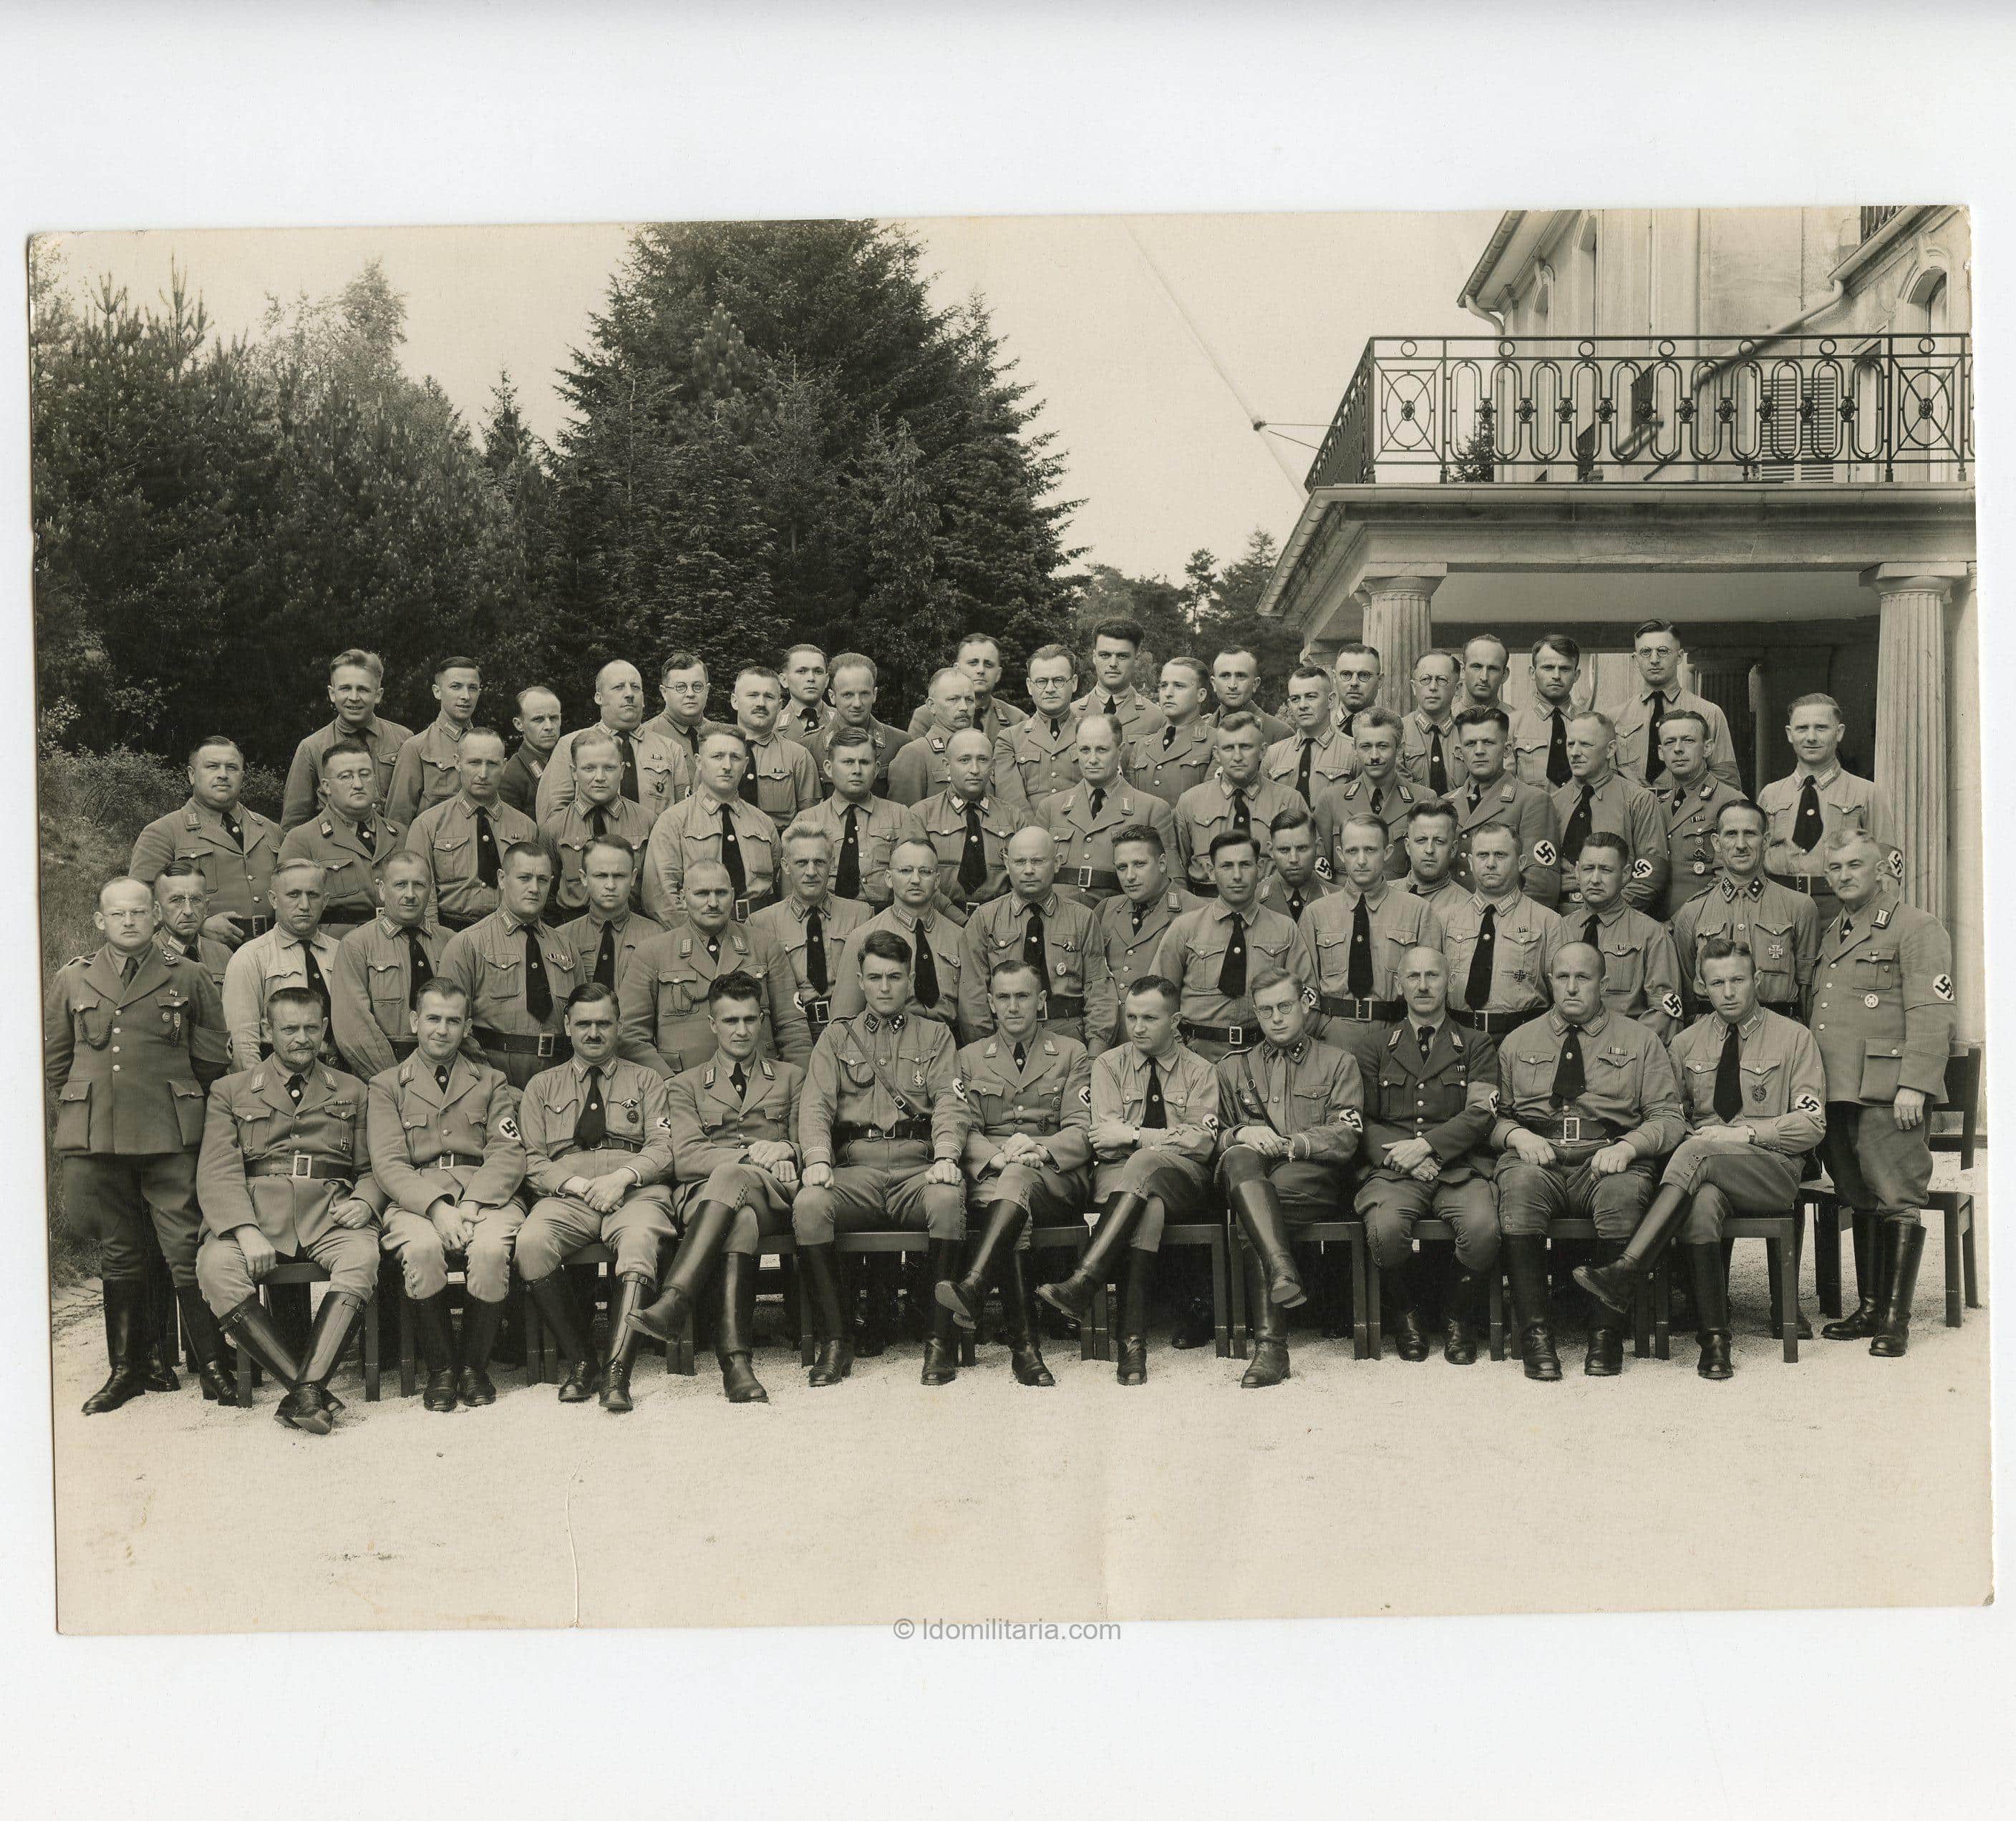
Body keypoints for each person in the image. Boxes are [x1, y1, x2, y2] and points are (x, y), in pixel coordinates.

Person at [1572, 938, 1826, 1379]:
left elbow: (1812, 1125)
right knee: (1704, 1201)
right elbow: (1672, 1117)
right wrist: (1703, 1142)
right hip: (1704, 1172)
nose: (1729, 992)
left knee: (1697, 1152)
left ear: (1757, 980)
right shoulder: (1687, 1043)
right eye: (1717, 983)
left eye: (1738, 981)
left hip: (1771, 1168)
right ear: (1702, 986)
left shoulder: (1794, 1038)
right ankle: (1715, 1343)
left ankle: (1628, 1270)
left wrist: (1743, 1133)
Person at [45, 877, 230, 1414]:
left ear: (156, 918)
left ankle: (213, 1363)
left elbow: (212, 1059)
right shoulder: (72, 978)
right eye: (117, 913)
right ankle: (127, 1369)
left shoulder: (189, 976)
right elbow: (57, 1060)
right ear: (100, 921)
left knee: (184, 1249)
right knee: (119, 1250)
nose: (129, 921)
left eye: (139, 912)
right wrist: (87, 1103)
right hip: (97, 1134)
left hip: (169, 1133)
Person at [1491, 943, 1686, 1381]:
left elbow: (1670, 1118)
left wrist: (1631, 1146)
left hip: (1608, 1157)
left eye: (1584, 978)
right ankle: (1536, 1337)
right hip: (1538, 1157)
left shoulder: (1641, 1040)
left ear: (1604, 983)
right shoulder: (1518, 1041)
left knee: (1621, 1193)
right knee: (1518, 1188)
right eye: (1562, 977)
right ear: (1550, 982)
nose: (1572, 987)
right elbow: (1493, 1117)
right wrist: (1516, 1135)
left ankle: (1606, 1336)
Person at [193, 986, 384, 1431]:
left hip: (330, 1212)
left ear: (324, 1029)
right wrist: (243, 1230)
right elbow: (218, 1171)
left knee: (362, 1256)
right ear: (267, 1031)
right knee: (216, 1265)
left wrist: (364, 1200)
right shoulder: (230, 1091)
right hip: (257, 1216)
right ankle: (309, 1391)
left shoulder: (353, 1090)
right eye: (289, 1028)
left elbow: (375, 1166)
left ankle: (302, 1392)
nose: (302, 1037)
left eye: (310, 1028)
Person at [793, 930, 968, 1387]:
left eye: (895, 977)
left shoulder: (936, 1035)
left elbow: (950, 1103)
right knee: (810, 1205)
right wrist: (816, 1159)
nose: (885, 987)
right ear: (861, 980)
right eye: (875, 977)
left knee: (948, 1201)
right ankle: (837, 1341)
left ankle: (938, 1342)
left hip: (917, 1166)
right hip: (858, 1168)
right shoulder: (837, 1037)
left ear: (910, 980)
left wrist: (947, 1155)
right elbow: (815, 1105)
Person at [1808, 831, 1955, 1357]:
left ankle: (1896, 1319)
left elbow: (1931, 1010)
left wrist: (1915, 1083)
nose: (1844, 875)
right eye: (1835, 868)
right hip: (1836, 1088)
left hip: (1888, 1090)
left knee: (1897, 1198)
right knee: (1857, 1196)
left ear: (1882, 871)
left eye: (1855, 865)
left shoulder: (1917, 928)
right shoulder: (1833, 932)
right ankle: (1870, 1307)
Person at [1034, 977, 1217, 1384]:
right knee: (1147, 1202)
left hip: (1183, 1182)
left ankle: (1086, 1280)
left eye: (1150, 1018)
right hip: (1120, 1184)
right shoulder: (1108, 1066)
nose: (1137, 1028)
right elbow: (1104, 1143)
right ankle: (1131, 1343)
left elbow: (1202, 1145)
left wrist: (1135, 1136)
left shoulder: (1201, 1070)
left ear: (1176, 1021)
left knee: (1145, 1161)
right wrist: (1165, 1138)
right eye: (1131, 1016)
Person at [634, 973, 805, 1404]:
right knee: (738, 1214)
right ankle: (735, 1363)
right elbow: (688, 1157)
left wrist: (785, 1147)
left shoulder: (791, 1078)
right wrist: (755, 1156)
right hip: (703, 1198)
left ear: (763, 1019)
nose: (742, 1030)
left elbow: (812, 1142)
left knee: (739, 1193)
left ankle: (675, 1301)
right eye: (730, 1020)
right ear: (713, 1024)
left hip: (772, 1196)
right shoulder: (684, 1085)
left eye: (750, 1019)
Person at [513, 981, 678, 1412]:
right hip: (568, 1195)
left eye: (604, 1023)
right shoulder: (541, 1086)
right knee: (530, 1243)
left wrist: (621, 1178)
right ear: (567, 1026)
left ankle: (617, 1371)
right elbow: (530, 1160)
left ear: (619, 1026)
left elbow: (663, 1147)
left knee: (641, 1241)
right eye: (583, 1023)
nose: (594, 1032)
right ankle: (583, 1360)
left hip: (634, 1192)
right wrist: (581, 1186)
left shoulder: (647, 1080)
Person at [368, 979, 528, 1412]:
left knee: (493, 1250)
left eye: (453, 1021)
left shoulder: (492, 1081)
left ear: (467, 1026)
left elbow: (508, 1152)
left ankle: (474, 1368)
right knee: (419, 1250)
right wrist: (438, 1210)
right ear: (415, 1021)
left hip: (486, 1196)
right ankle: (441, 1369)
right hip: (417, 1200)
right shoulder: (387, 1086)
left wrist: (473, 1203)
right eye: (433, 1019)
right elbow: (388, 1164)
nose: (442, 1029)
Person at [941, 958, 1096, 1385]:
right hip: (994, 1176)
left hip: (1055, 1178)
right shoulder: (969, 1058)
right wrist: (997, 1159)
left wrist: (1041, 1151)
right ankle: (1024, 1349)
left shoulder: (1071, 1053)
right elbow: (960, 1124)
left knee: (1010, 1190)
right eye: (1004, 997)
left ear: (1042, 1000)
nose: (1013, 1007)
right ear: (990, 1003)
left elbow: (1084, 1131)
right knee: (1007, 1194)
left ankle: (975, 1286)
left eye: (1023, 996)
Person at [1215, 968, 1365, 1387]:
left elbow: (1346, 1134)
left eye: (1285, 1007)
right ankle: (1281, 1275)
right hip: (1252, 1177)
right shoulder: (1233, 1068)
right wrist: (1241, 1133)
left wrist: (1289, 1144)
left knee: (1255, 1204)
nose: (1277, 1018)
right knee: (1243, 1164)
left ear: (1306, 1004)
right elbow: (1213, 1133)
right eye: (1265, 1011)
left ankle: (1271, 1347)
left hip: (1313, 1181)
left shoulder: (1338, 1063)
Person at [1354, 946, 1501, 1366]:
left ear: (1449, 981)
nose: (1423, 985)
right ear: (1399, 985)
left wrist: (1428, 1146)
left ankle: (1458, 1318)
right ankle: (1406, 1316)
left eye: (1432, 976)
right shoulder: (1374, 1046)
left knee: (1483, 1228)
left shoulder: (1475, 1044)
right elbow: (1358, 1119)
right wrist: (1407, 1156)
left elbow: (1481, 1113)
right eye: (1413, 977)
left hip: (1457, 1167)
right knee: (1384, 1228)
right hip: (1397, 1168)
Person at [619, 859, 806, 1076]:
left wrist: (794, 1085)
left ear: (733, 895)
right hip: (683, 1088)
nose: (713, 903)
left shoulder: (764, 946)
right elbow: (629, 1035)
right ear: (682, 898)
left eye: (721, 893)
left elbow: (793, 1029)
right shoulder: (653, 952)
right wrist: (668, 1084)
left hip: (760, 1086)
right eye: (701, 894)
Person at [1155, 830, 1318, 1062]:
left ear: (1260, 868)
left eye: (1245, 865)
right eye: (1226, 866)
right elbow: (1158, 999)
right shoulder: (1185, 928)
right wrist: (1180, 1052)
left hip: (1264, 1057)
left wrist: (1279, 1055)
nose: (1237, 875)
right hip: (1196, 1058)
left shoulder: (1285, 929)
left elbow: (1307, 1000)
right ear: (1212, 872)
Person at [1304, 814, 1444, 1084]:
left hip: (1396, 1033)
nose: (1361, 860)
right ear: (1340, 854)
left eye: (1370, 850)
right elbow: (1304, 984)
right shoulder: (1317, 914)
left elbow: (1431, 985)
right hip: (1335, 1034)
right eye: (1353, 851)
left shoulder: (1417, 911)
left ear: (1388, 852)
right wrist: (1323, 1028)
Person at [436, 842, 582, 1089]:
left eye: (543, 880)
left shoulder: (566, 948)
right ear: (502, 879)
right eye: (524, 878)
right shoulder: (469, 944)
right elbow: (453, 1028)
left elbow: (581, 1020)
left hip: (558, 1083)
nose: (534, 888)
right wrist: (493, 1084)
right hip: (490, 1082)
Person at [1758, 692, 1899, 932]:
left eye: (1821, 728)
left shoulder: (1866, 793)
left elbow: (1888, 871)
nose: (1811, 737)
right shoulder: (1770, 795)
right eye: (1802, 728)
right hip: (1779, 907)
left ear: (1839, 732)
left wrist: (1875, 925)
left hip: (1842, 907)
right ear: (1790, 735)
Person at [1670, 800, 1818, 1018]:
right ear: (1717, 842)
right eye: (1731, 834)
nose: (1741, 844)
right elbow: (1688, 994)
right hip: (1713, 1038)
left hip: (1779, 1037)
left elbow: (1808, 991)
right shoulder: (1692, 913)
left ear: (1765, 841)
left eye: (1750, 834)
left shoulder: (1799, 907)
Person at [959, 827, 1105, 1045]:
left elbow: (1098, 990)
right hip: (1004, 1039)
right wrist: (989, 1053)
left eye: (1037, 862)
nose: (1028, 870)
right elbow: (973, 996)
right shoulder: (985, 918)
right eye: (1019, 862)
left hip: (1068, 1037)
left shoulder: (1082, 918)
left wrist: (1095, 1051)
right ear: (1008, 865)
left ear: (1056, 863)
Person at [131, 734, 281, 947]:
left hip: (271, 955)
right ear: (192, 775)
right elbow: (139, 906)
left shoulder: (271, 830)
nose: (223, 775)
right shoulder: (163, 833)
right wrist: (200, 925)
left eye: (232, 768)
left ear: (242, 775)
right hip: (202, 958)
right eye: (212, 767)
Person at [329, 848, 452, 1079]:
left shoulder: (451, 942)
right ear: (383, 890)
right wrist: (396, 1081)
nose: (410, 894)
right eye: (400, 885)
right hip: (385, 1073)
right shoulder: (357, 945)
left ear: (431, 891)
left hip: (445, 1073)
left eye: (419, 885)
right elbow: (354, 1029)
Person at [640, 727, 782, 924]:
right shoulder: (673, 822)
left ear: (745, 764)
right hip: (700, 937)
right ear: (699, 762)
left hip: (759, 934)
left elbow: (778, 888)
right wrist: (702, 938)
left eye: (736, 758)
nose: (727, 766)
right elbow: (661, 900)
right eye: (717, 756)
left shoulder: (763, 823)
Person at [407, 726, 543, 931]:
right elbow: (423, 895)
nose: (483, 773)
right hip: (450, 932)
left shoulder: (526, 828)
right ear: (457, 762)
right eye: (474, 763)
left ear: (504, 766)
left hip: (509, 932)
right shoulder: (428, 825)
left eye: (492, 764)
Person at [829, 837, 968, 1035]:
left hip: (947, 1047)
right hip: (886, 1048)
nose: (915, 880)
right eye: (905, 871)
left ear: (937, 881)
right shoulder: (863, 937)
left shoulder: (960, 938)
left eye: (925, 872)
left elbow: (970, 1017)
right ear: (888, 878)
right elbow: (843, 1023)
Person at [1036, 713, 1176, 908]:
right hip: (1060, 921)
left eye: (1102, 750)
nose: (1092, 759)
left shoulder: (1152, 809)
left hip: (1120, 923)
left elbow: (1172, 883)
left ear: (1120, 752)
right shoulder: (1051, 808)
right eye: (1085, 750)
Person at [1554, 833, 1685, 1041]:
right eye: (1588, 869)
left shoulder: (1650, 934)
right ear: (1577, 872)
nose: (1595, 879)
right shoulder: (1559, 930)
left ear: (1625, 875)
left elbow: (1665, 1011)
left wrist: (1621, 1047)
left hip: (1623, 1056)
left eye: (1606, 870)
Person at [220, 859, 346, 1072]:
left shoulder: (343, 952)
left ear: (325, 901)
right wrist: (261, 1093)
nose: (305, 905)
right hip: (279, 1080)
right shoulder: (251, 957)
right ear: (273, 899)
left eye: (313, 895)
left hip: (338, 1079)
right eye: (293, 895)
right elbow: (243, 1043)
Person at [752, 821, 871, 1042]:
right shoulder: (762, 923)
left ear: (832, 864)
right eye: (801, 863)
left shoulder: (860, 916)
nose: (811, 872)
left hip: (851, 1029)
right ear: (786, 866)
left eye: (819, 862)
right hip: (795, 1034)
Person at [1086, 825, 1201, 1053]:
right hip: (1111, 1048)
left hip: (1168, 1048)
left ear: (1161, 863)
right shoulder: (1107, 909)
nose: (1130, 876)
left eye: (1139, 864)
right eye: (1122, 867)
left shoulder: (1196, 912)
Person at [1440, 823, 1561, 1039]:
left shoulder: (1548, 922)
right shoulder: (1445, 919)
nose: (1491, 863)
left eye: (1501, 855)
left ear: (1521, 862)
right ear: (1470, 862)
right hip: (1456, 1039)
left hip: (1522, 1040)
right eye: (1483, 855)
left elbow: (1561, 997)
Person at [538, 659, 691, 825]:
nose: (629, 694)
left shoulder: (671, 750)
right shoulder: (569, 745)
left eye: (635, 687)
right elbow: (553, 820)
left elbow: (683, 817)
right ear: (599, 698)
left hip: (654, 848)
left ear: (643, 699)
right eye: (618, 687)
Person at [281, 648, 413, 832]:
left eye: (363, 689)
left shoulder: (404, 740)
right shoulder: (312, 747)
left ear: (378, 695)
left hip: (392, 849)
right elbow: (293, 825)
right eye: (345, 689)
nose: (353, 698)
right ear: (332, 693)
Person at [1172, 713, 1307, 893]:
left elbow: (1306, 863)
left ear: (1262, 751)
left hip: (1271, 904)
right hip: (1207, 903)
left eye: (1245, 747)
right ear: (1217, 754)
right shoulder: (1190, 802)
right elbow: (1179, 869)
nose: (1237, 757)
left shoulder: (1290, 800)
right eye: (1228, 748)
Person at [796, 724, 924, 910]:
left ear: (876, 768)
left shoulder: (901, 816)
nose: (857, 770)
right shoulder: (807, 821)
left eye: (864, 762)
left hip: (885, 919)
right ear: (829, 768)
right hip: (828, 918)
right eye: (848, 762)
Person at [277, 740, 401, 931]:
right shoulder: (302, 840)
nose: (358, 784)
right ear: (326, 786)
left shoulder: (401, 834)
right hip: (335, 949)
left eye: (365, 774)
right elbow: (289, 916)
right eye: (346, 777)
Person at [1550, 710, 1667, 912]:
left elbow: (1650, 873)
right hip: (1560, 917)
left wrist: (1610, 911)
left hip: (1618, 915)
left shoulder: (1638, 800)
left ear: (1610, 749)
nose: (1575, 753)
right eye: (1571, 744)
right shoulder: (1552, 803)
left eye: (1585, 744)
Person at [1446, 707, 1562, 908]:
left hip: (1506, 925)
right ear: (1459, 752)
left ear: (1507, 750)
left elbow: (1541, 884)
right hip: (1454, 924)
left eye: (1489, 742)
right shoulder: (1446, 804)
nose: (1479, 750)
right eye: (1471, 744)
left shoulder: (1532, 801)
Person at [1610, 618, 1742, 790]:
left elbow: (1727, 783)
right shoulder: (1615, 717)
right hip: (1632, 813)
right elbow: (1608, 783)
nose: (1654, 659)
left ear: (1679, 657)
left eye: (1663, 651)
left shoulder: (1709, 713)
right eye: (1646, 652)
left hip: (1688, 811)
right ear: (1636, 659)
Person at [910, 729, 1026, 911]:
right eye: (965, 760)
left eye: (983, 760)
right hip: (941, 920)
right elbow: (917, 881)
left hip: (998, 922)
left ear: (993, 765)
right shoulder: (922, 815)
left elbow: (1023, 880)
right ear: (947, 766)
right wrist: (956, 919)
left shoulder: (1013, 817)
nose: (975, 770)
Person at [540, 731, 655, 914]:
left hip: (633, 925)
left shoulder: (647, 821)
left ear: (623, 771)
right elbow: (547, 895)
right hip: (573, 929)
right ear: (574, 772)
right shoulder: (554, 829)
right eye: (589, 769)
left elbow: (655, 889)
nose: (600, 777)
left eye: (609, 768)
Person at [1313, 709, 1431, 878]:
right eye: (1366, 747)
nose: (1374, 756)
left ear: (1400, 749)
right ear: (1354, 749)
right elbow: (1322, 873)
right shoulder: (1331, 800)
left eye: (1383, 746)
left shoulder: (1423, 799)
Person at [1655, 710, 1749, 918]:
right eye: (1670, 743)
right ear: (1661, 753)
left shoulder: (1730, 801)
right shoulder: (1656, 805)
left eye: (1688, 740)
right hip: (1657, 926)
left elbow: (1730, 878)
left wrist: (1680, 922)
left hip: (1709, 921)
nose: (1678, 749)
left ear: (1707, 748)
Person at [889, 667, 1025, 810]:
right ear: (932, 705)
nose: (964, 707)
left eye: (969, 700)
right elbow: (904, 822)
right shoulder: (914, 754)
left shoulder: (986, 750)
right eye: (953, 700)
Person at [384, 655, 483, 825]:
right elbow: (398, 822)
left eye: (472, 688)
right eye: (456, 687)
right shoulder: (416, 747)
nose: (466, 696)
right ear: (437, 692)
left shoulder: (487, 745)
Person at [556, 838, 664, 994]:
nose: (611, 885)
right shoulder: (562, 938)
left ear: (633, 877)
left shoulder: (656, 936)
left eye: (619, 876)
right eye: (601, 875)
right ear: (584, 877)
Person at [730, 664, 822, 824]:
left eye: (769, 697)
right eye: (752, 695)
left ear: (779, 706)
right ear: (735, 701)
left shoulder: (798, 757)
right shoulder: (713, 753)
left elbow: (810, 824)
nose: (761, 703)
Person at [804, 651, 906, 793]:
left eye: (864, 694)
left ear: (874, 695)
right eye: (848, 695)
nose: (857, 704)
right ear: (832, 697)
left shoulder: (901, 744)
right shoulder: (809, 747)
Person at [1126, 655, 1218, 808]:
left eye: (1179, 686)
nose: (1168, 693)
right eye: (1163, 685)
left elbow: (1210, 806)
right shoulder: (1142, 746)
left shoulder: (1216, 741)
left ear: (1200, 695)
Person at [908, 633, 1029, 743]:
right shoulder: (926, 715)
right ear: (957, 668)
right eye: (973, 663)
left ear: (998, 674)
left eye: (988, 664)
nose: (981, 670)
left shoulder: (1017, 719)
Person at [1266, 662, 1355, 806]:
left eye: (1311, 697)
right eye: (1295, 699)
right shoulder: (1274, 753)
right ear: (1289, 704)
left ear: (1331, 700)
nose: (1302, 705)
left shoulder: (1353, 752)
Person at [1002, 643, 1082, 802]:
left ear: (1073, 683)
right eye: (1041, 681)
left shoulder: (1093, 732)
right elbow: (1012, 802)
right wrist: (1034, 829)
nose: (1050, 688)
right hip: (1028, 827)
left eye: (1058, 680)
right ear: (1029, 686)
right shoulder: (1010, 739)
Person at [1073, 616, 1166, 746]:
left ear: (1137, 659)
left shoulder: (1157, 719)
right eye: (1105, 655)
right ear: (1094, 657)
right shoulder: (1071, 714)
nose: (1113, 664)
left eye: (1122, 656)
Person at [1508, 633, 1583, 791]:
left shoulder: (1591, 724)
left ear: (1576, 675)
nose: (1556, 676)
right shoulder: (1511, 725)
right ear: (1532, 673)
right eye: (1548, 668)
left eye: (1565, 669)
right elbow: (1505, 785)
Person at [151, 860, 232, 989]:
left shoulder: (223, 954)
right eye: (176, 900)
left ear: (206, 907)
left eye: (196, 900)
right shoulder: (147, 958)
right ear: (158, 910)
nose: (188, 911)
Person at [1398, 649, 1461, 795]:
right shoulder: (1397, 733)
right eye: (1425, 679)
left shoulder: (1469, 734)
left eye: (1442, 680)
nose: (1433, 687)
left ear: (1457, 689)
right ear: (1414, 687)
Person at [1256, 807, 1334, 923]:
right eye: (1284, 850)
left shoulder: (1338, 898)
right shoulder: (1254, 900)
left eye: (1302, 848)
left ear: (1318, 848)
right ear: (1271, 851)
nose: (1294, 859)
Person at [643, 650, 724, 759]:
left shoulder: (723, 737)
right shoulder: (645, 737)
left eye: (697, 686)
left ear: (707, 690)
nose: (690, 694)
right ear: (664, 692)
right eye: (680, 687)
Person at [499, 685, 565, 817]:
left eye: (553, 718)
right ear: (519, 724)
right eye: (538, 719)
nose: (549, 727)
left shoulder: (572, 759)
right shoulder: (510, 775)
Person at [1400, 801, 1469, 921]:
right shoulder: (1384, 894)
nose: (1429, 850)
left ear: (1453, 850)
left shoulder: (1467, 907)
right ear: (1407, 846)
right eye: (1421, 840)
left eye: (1439, 841)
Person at [1209, 646, 1289, 744]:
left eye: (1241, 676)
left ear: (1255, 684)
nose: (1232, 685)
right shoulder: (1201, 730)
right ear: (1214, 683)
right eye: (1225, 676)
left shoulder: (1279, 734)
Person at [1329, 641, 1382, 740]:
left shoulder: (1395, 729)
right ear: (1334, 678)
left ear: (1380, 680)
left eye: (1364, 675)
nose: (1354, 683)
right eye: (1346, 674)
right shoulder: (1321, 728)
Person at [780, 643, 830, 741]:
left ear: (827, 680)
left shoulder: (843, 721)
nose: (811, 678)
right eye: (801, 671)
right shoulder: (770, 726)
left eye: (818, 672)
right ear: (784, 680)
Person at [1459, 634, 1510, 716]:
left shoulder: (1521, 723)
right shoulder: (1441, 721)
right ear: (1462, 671)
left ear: (1504, 675)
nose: (1484, 677)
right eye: (1476, 667)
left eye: (1493, 669)